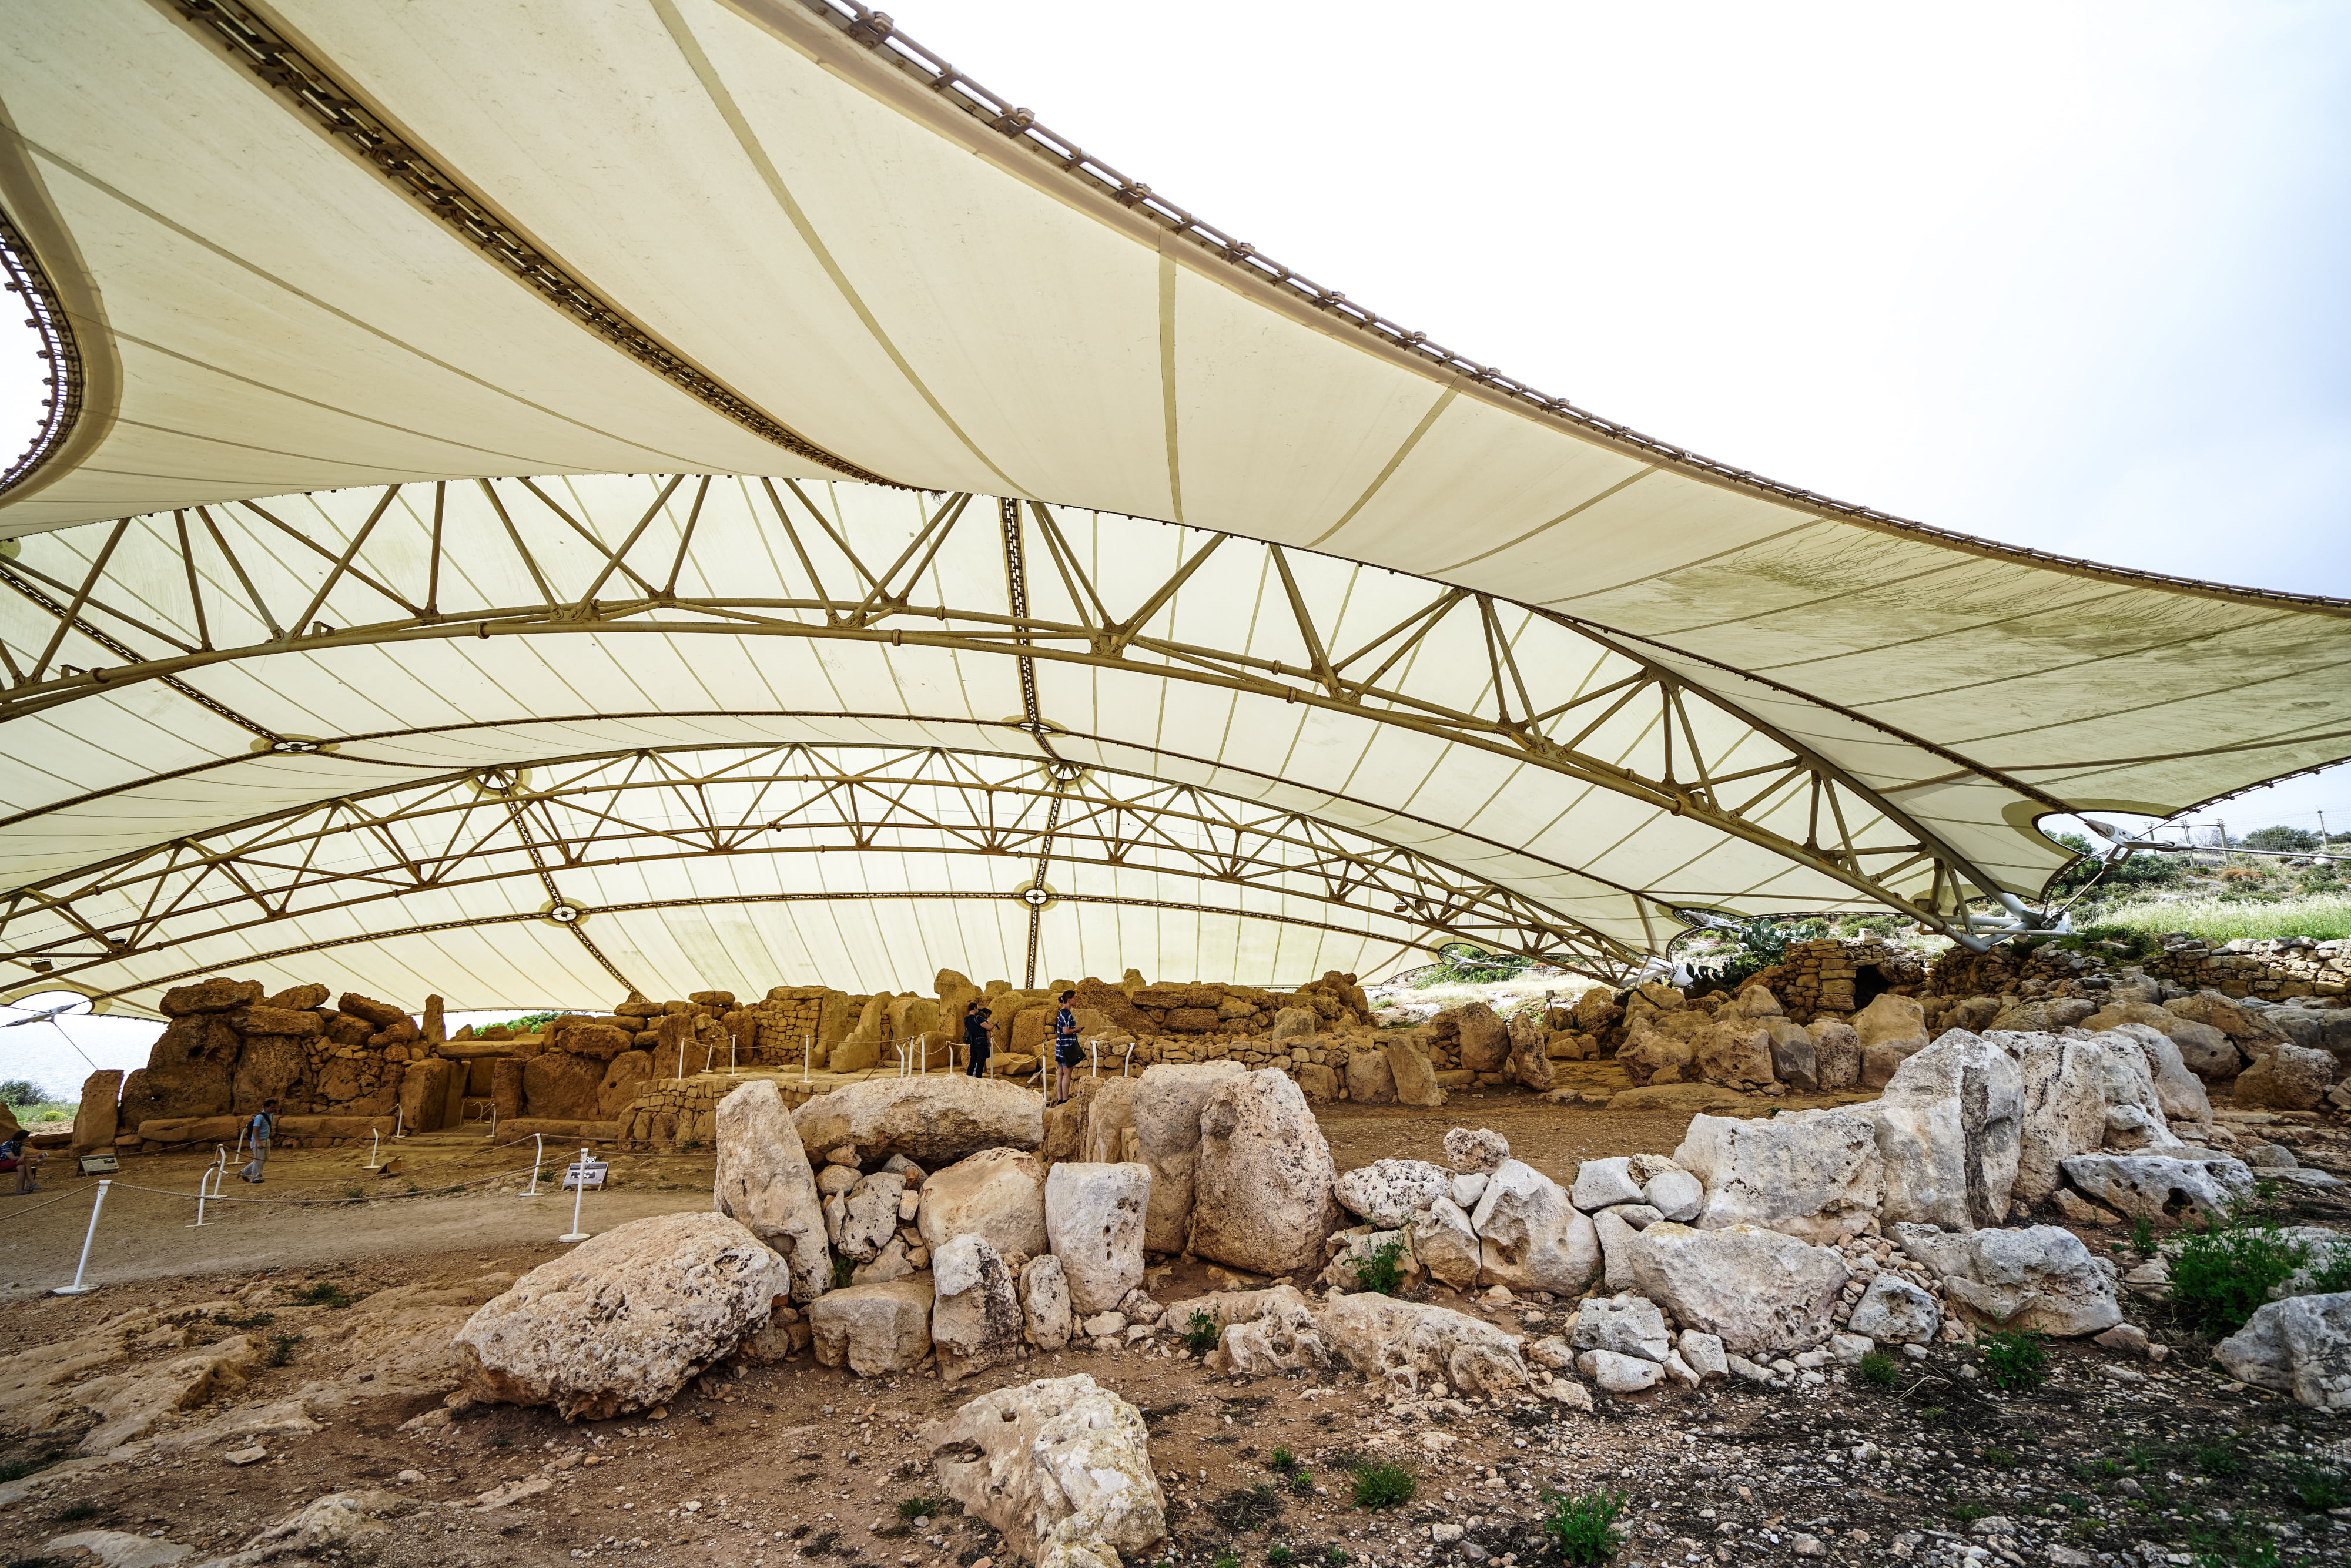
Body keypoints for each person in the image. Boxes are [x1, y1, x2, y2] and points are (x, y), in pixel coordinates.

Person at [1051, 990, 1082, 1105]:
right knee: (1067, 1073)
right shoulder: (1066, 1013)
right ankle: (1064, 1099)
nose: (1076, 1000)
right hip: (1066, 1046)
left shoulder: (1061, 1012)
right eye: (1075, 998)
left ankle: (1060, 1099)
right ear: (1069, 1000)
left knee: (1061, 1073)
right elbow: (1066, 1031)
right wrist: (1076, 1030)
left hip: (1060, 1046)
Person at [239, 1099, 277, 1184]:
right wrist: (258, 1142)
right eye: (271, 1107)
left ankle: (244, 1172)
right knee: (259, 1160)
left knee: (264, 1159)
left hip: (266, 1139)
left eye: (274, 1107)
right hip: (258, 1141)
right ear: (266, 1107)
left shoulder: (271, 1115)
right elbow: (255, 1130)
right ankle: (255, 1178)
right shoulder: (260, 1117)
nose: (273, 1109)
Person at [963, 1004, 994, 1079]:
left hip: (973, 1042)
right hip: (981, 1042)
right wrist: (994, 1024)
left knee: (973, 1062)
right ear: (975, 1008)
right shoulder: (979, 1018)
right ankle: (978, 1079)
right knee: (981, 1062)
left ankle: (969, 1078)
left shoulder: (966, 1019)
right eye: (977, 1008)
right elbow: (988, 1028)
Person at [3, 1127, 35, 1195]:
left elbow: (23, 1153)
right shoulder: (6, 1145)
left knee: (21, 1167)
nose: (28, 1138)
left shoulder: (21, 1144)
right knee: (26, 1161)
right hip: (2, 1163)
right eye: (27, 1137)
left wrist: (22, 1157)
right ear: (22, 1138)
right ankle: (31, 1181)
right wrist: (33, 1156)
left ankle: (19, 1190)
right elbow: (12, 1158)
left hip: (12, 1163)